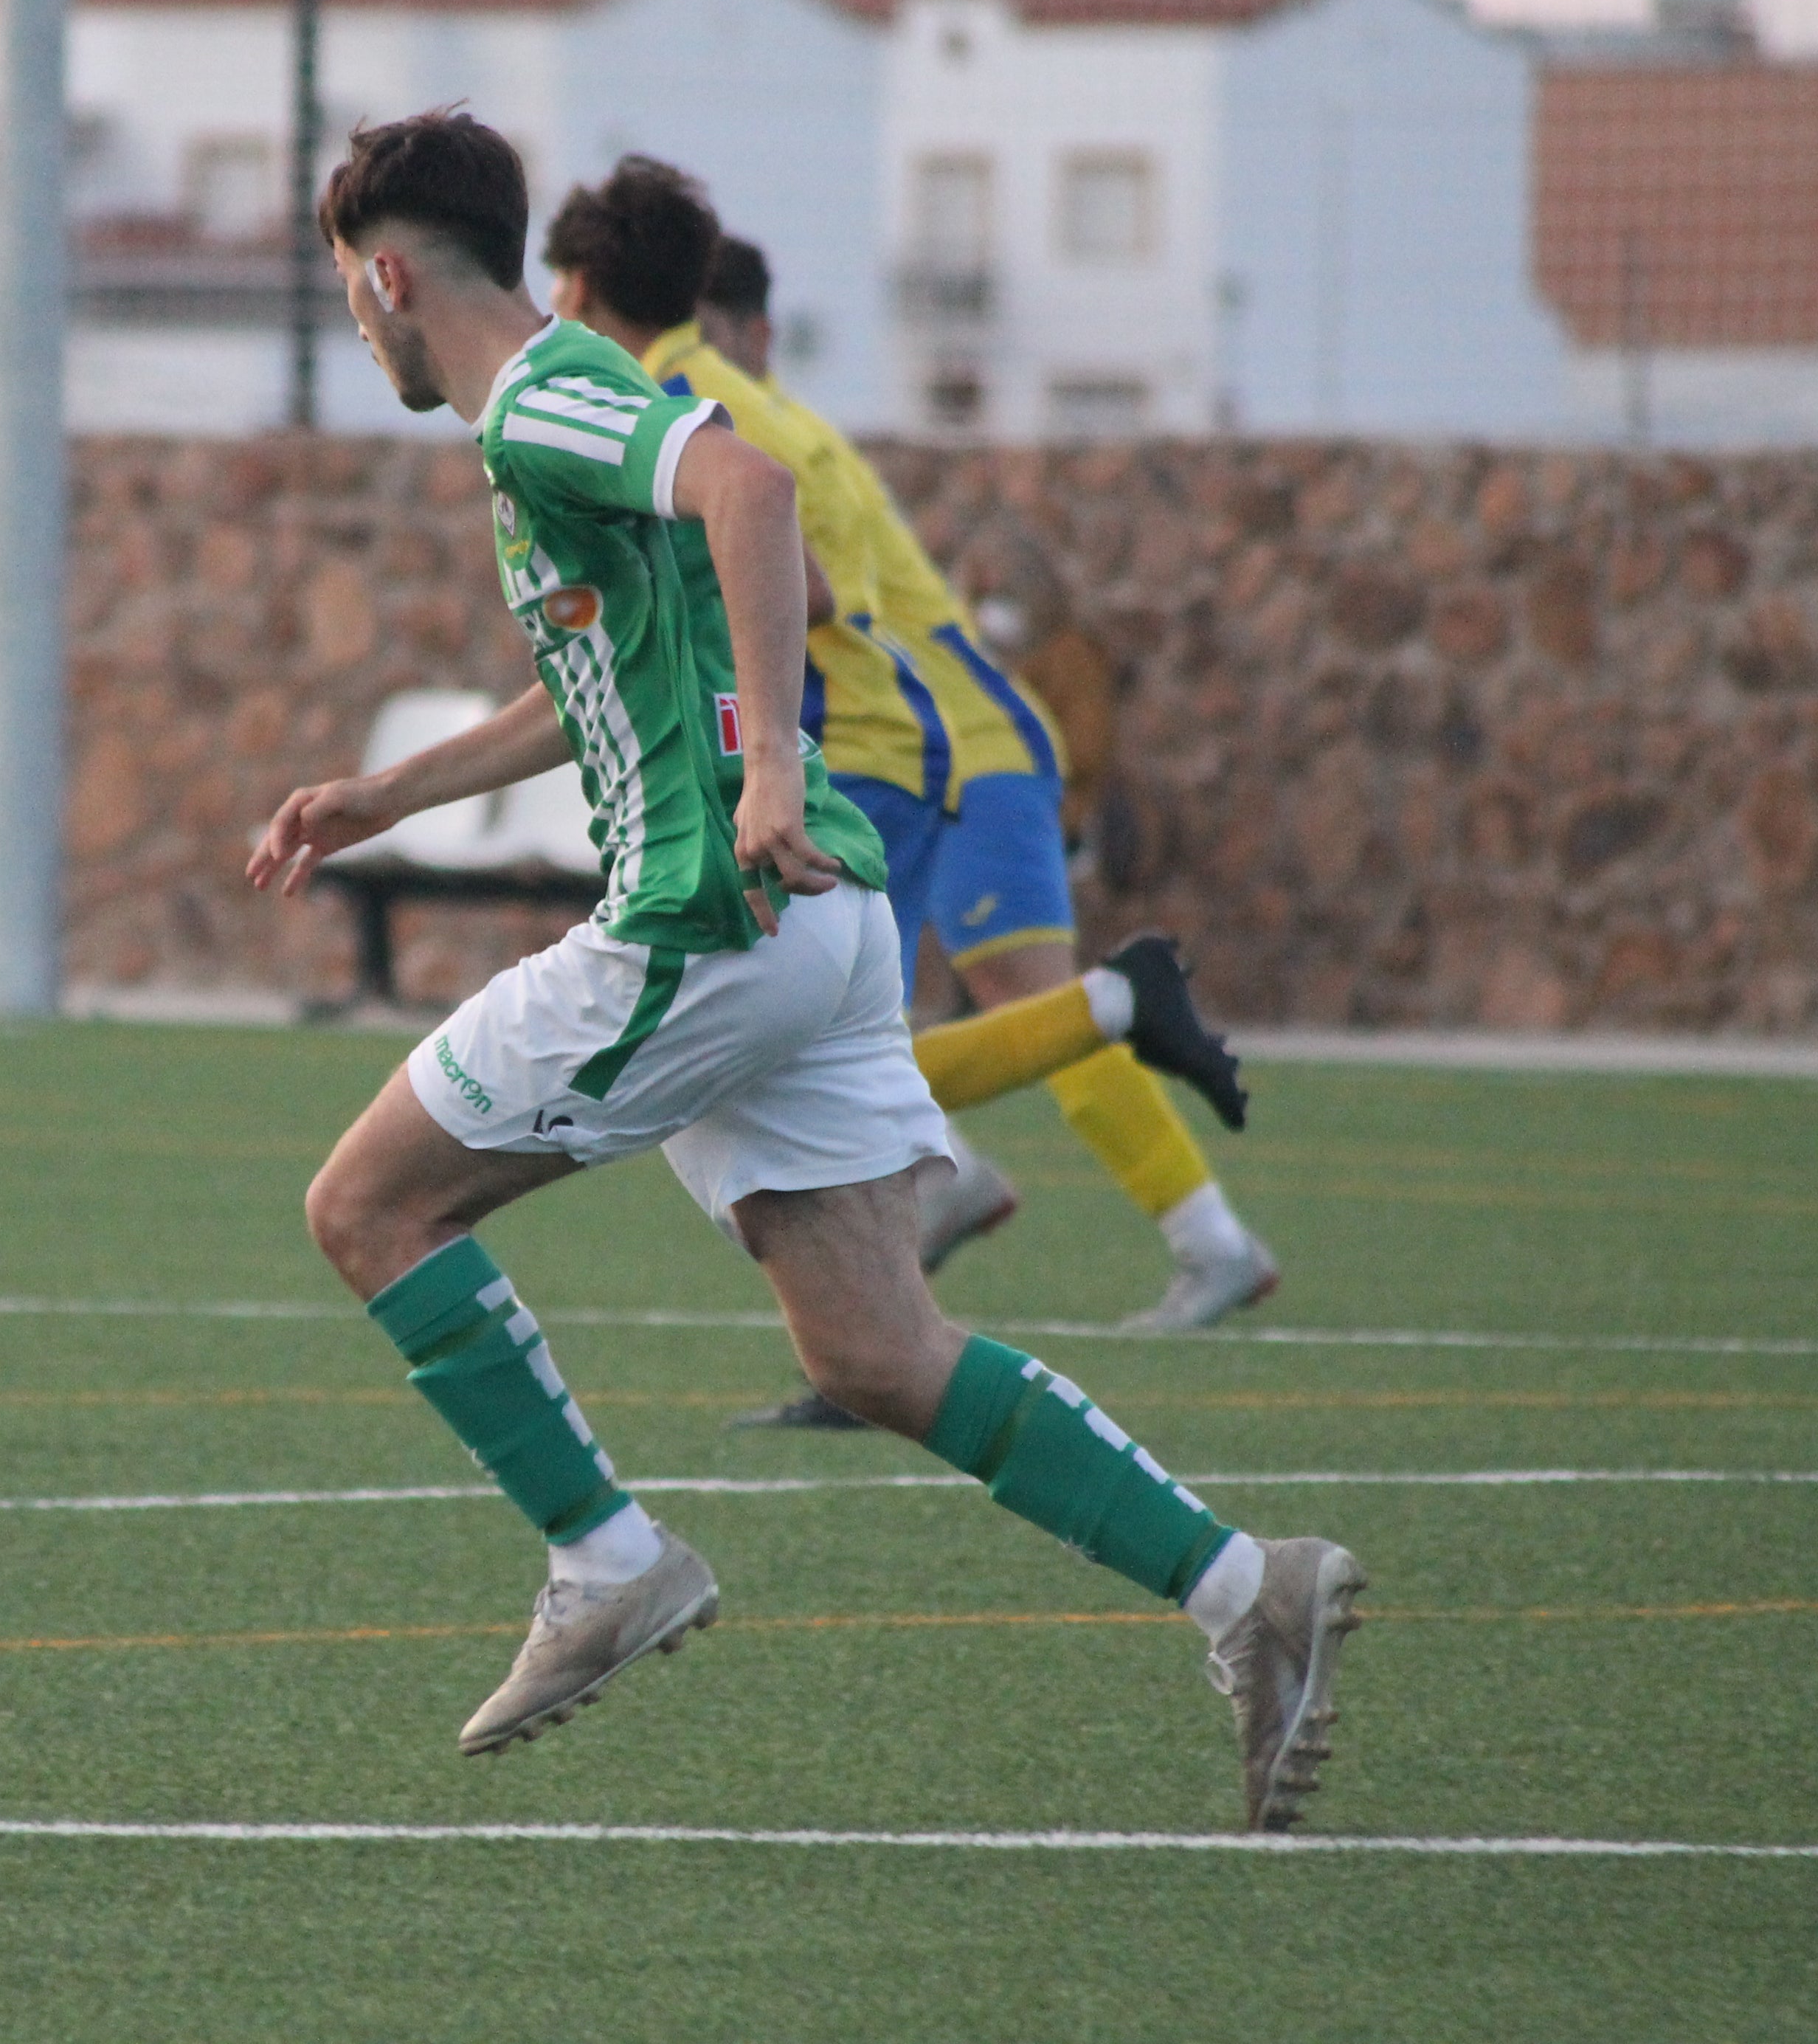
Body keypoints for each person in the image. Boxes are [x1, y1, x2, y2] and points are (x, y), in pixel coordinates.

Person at [249, 108, 1364, 1831]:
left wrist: (770, 757)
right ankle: (1248, 1591)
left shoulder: (546, 393)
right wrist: (385, 793)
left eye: (346, 289)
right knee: (874, 1348)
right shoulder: (542, 419)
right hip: (816, 919)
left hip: (713, 911)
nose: (355, 318)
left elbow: (750, 485)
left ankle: (606, 1557)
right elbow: (603, 674)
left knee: (367, 1207)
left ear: (387, 273)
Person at [545, 169, 1279, 1392]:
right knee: (854, 1024)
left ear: (577, 291)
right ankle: (974, 1233)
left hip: (919, 739)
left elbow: (814, 595)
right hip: (931, 732)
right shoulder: (734, 405)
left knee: (816, 1033)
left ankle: (1054, 1191)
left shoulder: (687, 408)